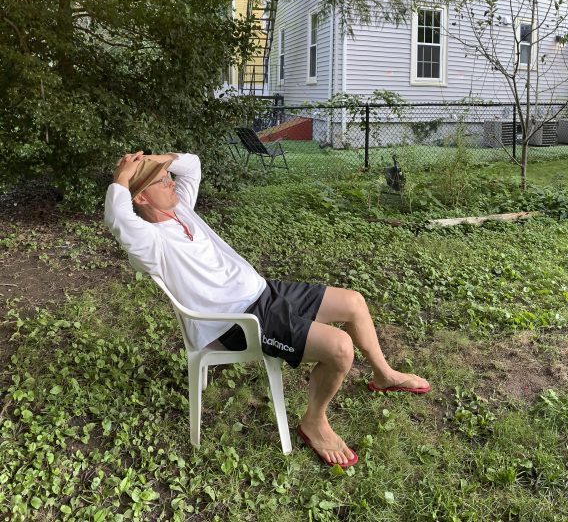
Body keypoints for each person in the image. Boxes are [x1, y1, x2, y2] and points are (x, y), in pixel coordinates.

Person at [104, 151, 430, 468]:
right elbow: (117, 219)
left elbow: (192, 165)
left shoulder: (180, 209)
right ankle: (314, 422)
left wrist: (157, 161)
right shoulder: (150, 242)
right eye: (162, 181)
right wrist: (123, 177)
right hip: (240, 321)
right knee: (340, 349)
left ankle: (384, 375)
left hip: (264, 291)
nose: (172, 183)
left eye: (168, 177)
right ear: (141, 198)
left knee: (354, 302)